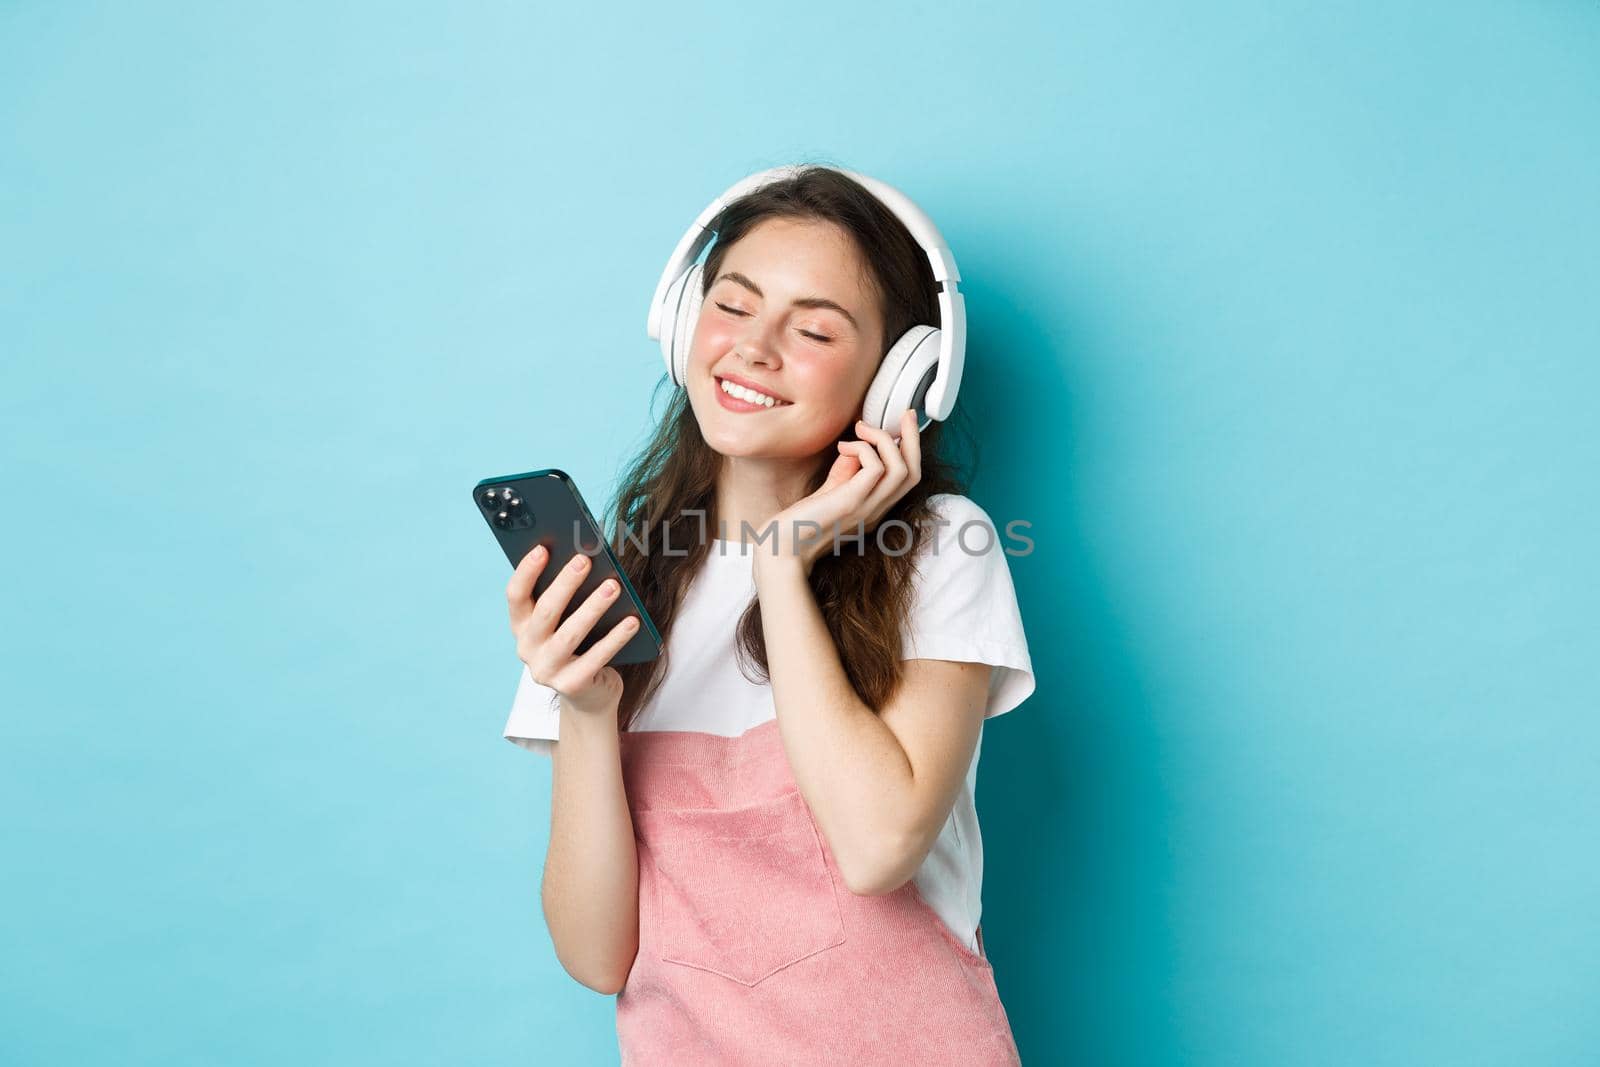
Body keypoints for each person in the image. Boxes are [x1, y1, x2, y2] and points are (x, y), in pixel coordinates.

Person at [501, 164, 1036, 1065]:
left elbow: (875, 850)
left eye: (815, 328)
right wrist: (587, 710)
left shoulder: (945, 545)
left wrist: (782, 566)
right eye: (734, 305)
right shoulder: (617, 577)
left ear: (898, 378)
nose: (754, 348)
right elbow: (598, 957)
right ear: (682, 324)